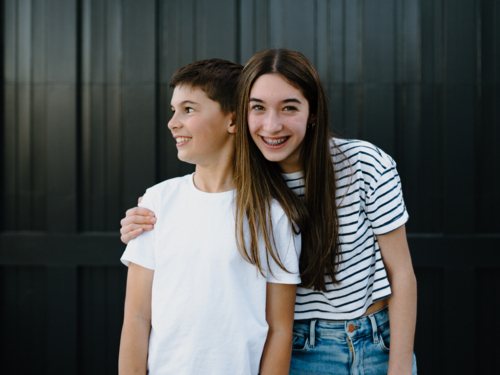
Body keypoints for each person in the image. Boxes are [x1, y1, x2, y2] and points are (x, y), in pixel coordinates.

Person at [121, 48, 417, 375]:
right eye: (258, 108)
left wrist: (400, 367)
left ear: (313, 112)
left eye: (289, 108)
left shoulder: (364, 164)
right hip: (299, 349)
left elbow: (401, 273)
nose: (272, 126)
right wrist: (142, 219)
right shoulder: (250, 183)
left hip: (376, 340)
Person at [118, 58, 303, 375]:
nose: (173, 122)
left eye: (188, 110)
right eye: (174, 110)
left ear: (233, 120)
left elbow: (280, 329)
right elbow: (137, 317)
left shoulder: (272, 214)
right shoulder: (157, 202)